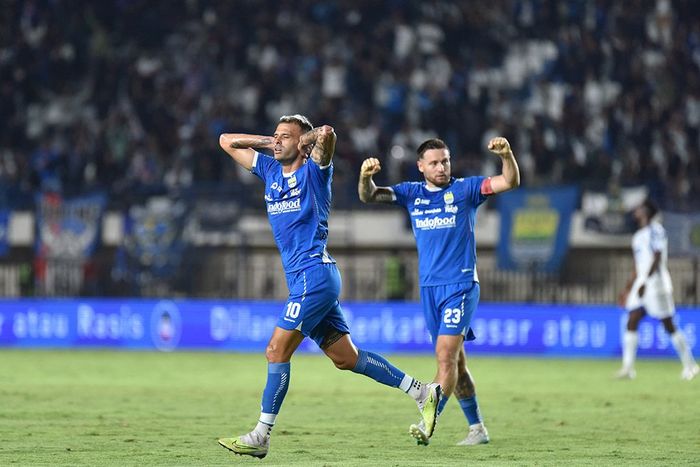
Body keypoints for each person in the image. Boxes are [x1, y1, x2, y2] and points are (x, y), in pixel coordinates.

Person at [216, 115, 441, 459]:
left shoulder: (314, 173)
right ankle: (422, 391)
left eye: (285, 137)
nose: (277, 141)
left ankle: (261, 435)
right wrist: (274, 141)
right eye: (275, 135)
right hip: (310, 278)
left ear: (302, 145)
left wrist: (307, 139)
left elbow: (328, 136)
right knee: (346, 358)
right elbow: (226, 140)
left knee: (276, 351)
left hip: (313, 276)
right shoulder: (270, 170)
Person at [358, 137, 520, 446]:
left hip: (460, 285)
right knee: (456, 364)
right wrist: (366, 178)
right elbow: (369, 196)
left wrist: (507, 155)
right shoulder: (410, 193)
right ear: (421, 166)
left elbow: (510, 180)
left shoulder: (466, 190)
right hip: (429, 289)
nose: (441, 167)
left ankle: (427, 420)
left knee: (444, 357)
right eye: (434, 162)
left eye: (445, 161)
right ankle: (478, 429)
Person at [616, 199, 699, 381]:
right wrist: (629, 287)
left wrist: (645, 281)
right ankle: (628, 368)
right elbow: (638, 265)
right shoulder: (638, 236)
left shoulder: (656, 230)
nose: (636, 211)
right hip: (642, 284)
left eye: (639, 208)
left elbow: (657, 255)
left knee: (668, 325)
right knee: (632, 320)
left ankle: (690, 365)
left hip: (656, 284)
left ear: (646, 211)